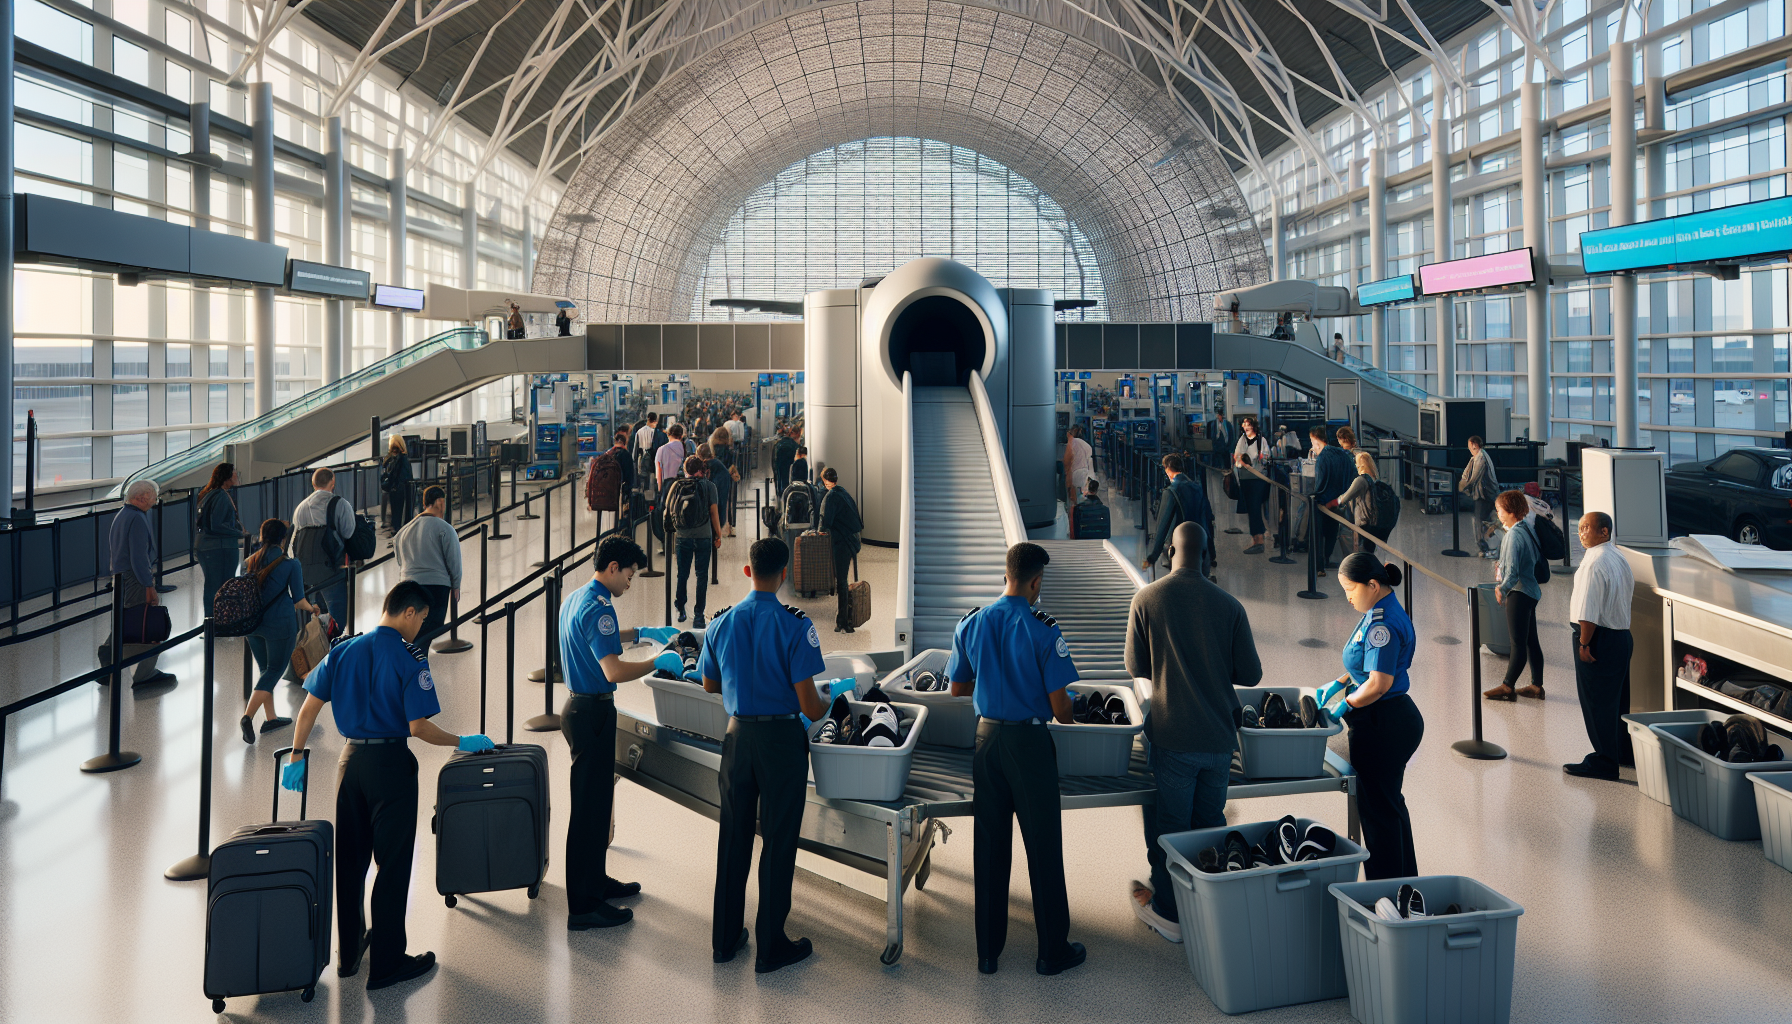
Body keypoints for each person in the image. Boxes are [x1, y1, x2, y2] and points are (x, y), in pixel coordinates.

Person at [284, 580, 495, 991]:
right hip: (391, 765)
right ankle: (387, 964)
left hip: (350, 764)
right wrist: (460, 741)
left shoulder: (343, 649)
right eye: (422, 620)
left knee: (350, 861)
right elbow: (418, 727)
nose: (421, 629)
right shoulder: (409, 655)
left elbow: (308, 707)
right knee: (392, 865)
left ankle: (348, 957)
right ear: (410, 612)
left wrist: (295, 756)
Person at [948, 542, 1087, 977]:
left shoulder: (972, 623)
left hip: (986, 742)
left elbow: (956, 689)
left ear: (1005, 574)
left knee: (989, 848)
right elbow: (1062, 710)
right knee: (1042, 845)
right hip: (1028, 746)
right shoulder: (1044, 630)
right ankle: (1052, 952)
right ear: (1035, 582)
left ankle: (987, 954)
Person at [1125, 522, 1261, 944]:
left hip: (1173, 736)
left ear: (1169, 551)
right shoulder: (1229, 605)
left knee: (1170, 826)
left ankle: (1168, 913)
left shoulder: (1147, 598)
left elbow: (1135, 667)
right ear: (1207, 553)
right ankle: (1208, 906)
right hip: (1220, 739)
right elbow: (1252, 675)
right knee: (1210, 825)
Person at [700, 538, 829, 973]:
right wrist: (830, 702)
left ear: (747, 571)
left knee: (732, 838)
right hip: (779, 743)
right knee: (777, 841)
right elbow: (810, 707)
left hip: (737, 741)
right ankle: (772, 946)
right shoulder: (795, 625)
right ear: (785, 573)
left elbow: (709, 685)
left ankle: (724, 940)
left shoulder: (721, 623)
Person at [559, 535, 676, 929]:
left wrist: (640, 631)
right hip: (593, 711)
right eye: (629, 574)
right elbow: (614, 671)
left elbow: (596, 636)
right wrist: (658, 660)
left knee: (594, 805)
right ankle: (583, 906)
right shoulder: (601, 608)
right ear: (612, 568)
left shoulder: (577, 598)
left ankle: (596, 882)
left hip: (577, 707)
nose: (630, 582)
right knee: (589, 811)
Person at [1323, 553, 1423, 880]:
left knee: (1378, 814)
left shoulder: (1382, 623)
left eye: (1350, 589)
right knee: (1389, 805)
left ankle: (1386, 894)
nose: (1347, 597)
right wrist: (1340, 682)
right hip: (1389, 719)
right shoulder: (1378, 609)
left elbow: (1380, 683)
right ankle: (1405, 883)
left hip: (1382, 723)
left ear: (1372, 584)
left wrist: (1346, 704)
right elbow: (1365, 662)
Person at [1565, 512, 1635, 780]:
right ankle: (1622, 753)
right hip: (1621, 637)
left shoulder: (1594, 563)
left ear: (1604, 532)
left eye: (1587, 528)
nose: (1581, 533)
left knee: (1597, 703)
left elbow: (1587, 612)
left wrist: (1584, 644)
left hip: (1598, 640)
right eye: (1580, 528)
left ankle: (1604, 761)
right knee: (1617, 703)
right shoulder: (1617, 556)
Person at [239, 519, 313, 742]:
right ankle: (247, 717)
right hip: (280, 625)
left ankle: (271, 718)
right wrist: (313, 608)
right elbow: (299, 601)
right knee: (274, 671)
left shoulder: (249, 561)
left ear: (261, 537)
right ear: (283, 538)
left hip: (253, 625)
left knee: (265, 670)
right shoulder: (290, 564)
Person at [99, 479, 175, 686]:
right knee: (144, 620)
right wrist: (149, 586)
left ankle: (107, 659)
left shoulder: (122, 515)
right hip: (134, 579)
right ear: (141, 498)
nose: (154, 501)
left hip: (121, 577)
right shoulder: (138, 519)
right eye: (153, 497)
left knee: (128, 618)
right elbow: (139, 557)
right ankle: (145, 673)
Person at [1484, 489, 1545, 702]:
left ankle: (1507, 686)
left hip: (1519, 593)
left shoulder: (1513, 536)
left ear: (1510, 511)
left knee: (1517, 643)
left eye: (1500, 509)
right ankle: (1537, 685)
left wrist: (1502, 588)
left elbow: (1511, 571)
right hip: (1531, 591)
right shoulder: (1527, 529)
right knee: (1531, 641)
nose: (1498, 513)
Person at [394, 485, 462, 643]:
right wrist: (456, 585)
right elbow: (454, 560)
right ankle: (416, 665)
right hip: (436, 587)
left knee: (415, 631)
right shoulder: (445, 528)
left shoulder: (402, 532)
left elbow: (399, 560)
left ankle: (413, 662)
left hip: (407, 585)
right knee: (429, 631)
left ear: (424, 504)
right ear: (440, 502)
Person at [293, 467, 355, 632]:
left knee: (316, 615)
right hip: (331, 570)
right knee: (337, 618)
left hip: (306, 572)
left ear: (313, 483)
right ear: (332, 481)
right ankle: (331, 648)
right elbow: (348, 532)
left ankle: (316, 649)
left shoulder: (301, 507)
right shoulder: (340, 504)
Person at [668, 455, 721, 627]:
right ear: (701, 470)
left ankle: (681, 608)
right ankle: (699, 615)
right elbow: (714, 513)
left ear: (686, 470)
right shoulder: (709, 486)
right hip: (703, 536)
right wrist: (718, 534)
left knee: (682, 574)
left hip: (682, 537)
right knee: (702, 576)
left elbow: (668, 509)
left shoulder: (676, 485)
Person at [1142, 454, 1213, 578]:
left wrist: (1152, 556)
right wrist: (1211, 551)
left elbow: (1162, 526)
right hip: (1199, 541)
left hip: (1178, 544)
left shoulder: (1170, 492)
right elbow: (1207, 518)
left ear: (1168, 470)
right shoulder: (1197, 488)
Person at [194, 462, 244, 616]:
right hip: (218, 547)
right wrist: (238, 533)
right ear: (227, 476)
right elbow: (217, 525)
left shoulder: (209, 493)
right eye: (234, 472)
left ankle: (214, 620)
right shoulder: (221, 496)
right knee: (219, 585)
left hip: (207, 546)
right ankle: (216, 621)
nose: (237, 475)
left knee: (213, 584)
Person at [818, 467, 863, 633]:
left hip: (842, 543)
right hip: (853, 541)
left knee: (842, 582)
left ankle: (843, 621)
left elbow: (825, 524)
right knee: (843, 580)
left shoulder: (831, 497)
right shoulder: (844, 493)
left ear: (825, 481)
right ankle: (844, 618)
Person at [1310, 426, 1354, 569]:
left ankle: (1320, 564)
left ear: (1316, 441)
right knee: (1332, 532)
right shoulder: (1341, 453)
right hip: (1339, 502)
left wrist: (1314, 498)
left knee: (1320, 533)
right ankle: (1327, 558)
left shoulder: (1322, 458)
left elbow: (1320, 483)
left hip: (1324, 503)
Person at [1233, 417, 1271, 554]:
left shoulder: (1262, 440)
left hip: (1257, 479)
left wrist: (1260, 459)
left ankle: (1259, 540)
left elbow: (1266, 458)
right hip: (1245, 478)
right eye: (1244, 424)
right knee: (1250, 509)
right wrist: (1241, 461)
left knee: (1255, 509)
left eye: (1248, 424)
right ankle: (1255, 538)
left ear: (1253, 426)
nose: (1246, 426)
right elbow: (1236, 456)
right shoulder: (1242, 440)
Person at [1460, 435, 1501, 557]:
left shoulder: (1481, 459)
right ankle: (1486, 547)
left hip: (1485, 495)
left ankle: (1485, 548)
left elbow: (1473, 478)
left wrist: (1462, 487)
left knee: (1479, 521)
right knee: (1483, 520)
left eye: (1470, 446)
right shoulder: (1478, 457)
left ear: (1475, 445)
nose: (1469, 448)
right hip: (1485, 495)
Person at [1335, 451, 1383, 555]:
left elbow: (1345, 498)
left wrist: (1333, 502)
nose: (1355, 465)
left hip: (1362, 521)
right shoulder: (1373, 479)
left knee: (1345, 536)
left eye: (1356, 462)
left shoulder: (1361, 480)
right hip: (1371, 522)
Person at [709, 426, 738, 536]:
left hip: (712, 477)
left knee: (713, 502)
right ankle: (725, 526)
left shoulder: (711, 447)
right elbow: (730, 465)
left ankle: (713, 525)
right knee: (726, 502)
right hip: (724, 478)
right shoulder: (728, 450)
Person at [381, 436, 413, 532]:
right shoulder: (403, 459)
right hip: (400, 490)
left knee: (396, 516)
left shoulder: (393, 459)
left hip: (395, 490)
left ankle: (395, 529)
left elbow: (390, 474)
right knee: (400, 516)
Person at [1063, 424, 1093, 513]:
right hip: (1085, 473)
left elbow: (1067, 461)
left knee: (1073, 500)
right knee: (1082, 497)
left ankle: (1075, 515)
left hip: (1075, 474)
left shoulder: (1072, 442)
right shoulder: (1085, 445)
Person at [656, 423, 688, 489]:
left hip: (667, 486)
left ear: (668, 434)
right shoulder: (685, 448)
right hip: (683, 486)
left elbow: (659, 470)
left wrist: (660, 489)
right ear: (681, 436)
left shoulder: (662, 449)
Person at [772, 426, 798, 495]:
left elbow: (774, 462)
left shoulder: (777, 445)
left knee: (780, 479)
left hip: (780, 466)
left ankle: (780, 494)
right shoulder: (794, 445)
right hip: (791, 470)